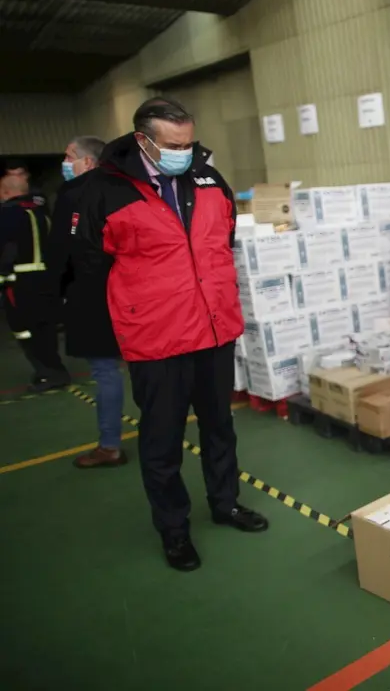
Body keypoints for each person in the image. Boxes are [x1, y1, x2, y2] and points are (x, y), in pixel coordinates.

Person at [74, 97, 268, 572]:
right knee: (161, 443)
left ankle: (225, 504)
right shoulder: (104, 189)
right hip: (157, 339)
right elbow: (90, 263)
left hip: (214, 329)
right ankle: (174, 530)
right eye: (174, 145)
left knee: (220, 426)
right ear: (143, 140)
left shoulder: (207, 178)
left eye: (189, 142)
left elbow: (223, 239)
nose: (186, 151)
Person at [47, 135, 127, 468]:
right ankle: (158, 436)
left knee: (106, 371)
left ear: (88, 162)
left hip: (92, 294)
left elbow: (62, 252)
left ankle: (110, 446)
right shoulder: (125, 188)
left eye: (69, 157)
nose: (64, 164)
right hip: (131, 292)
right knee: (149, 370)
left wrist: (58, 291)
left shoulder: (74, 195)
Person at [0, 174, 71, 391]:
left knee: (25, 329)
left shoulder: (7, 214)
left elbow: (7, 250)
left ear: (5, 192)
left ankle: (48, 372)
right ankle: (51, 369)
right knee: (45, 327)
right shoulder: (42, 214)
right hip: (47, 280)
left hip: (20, 282)